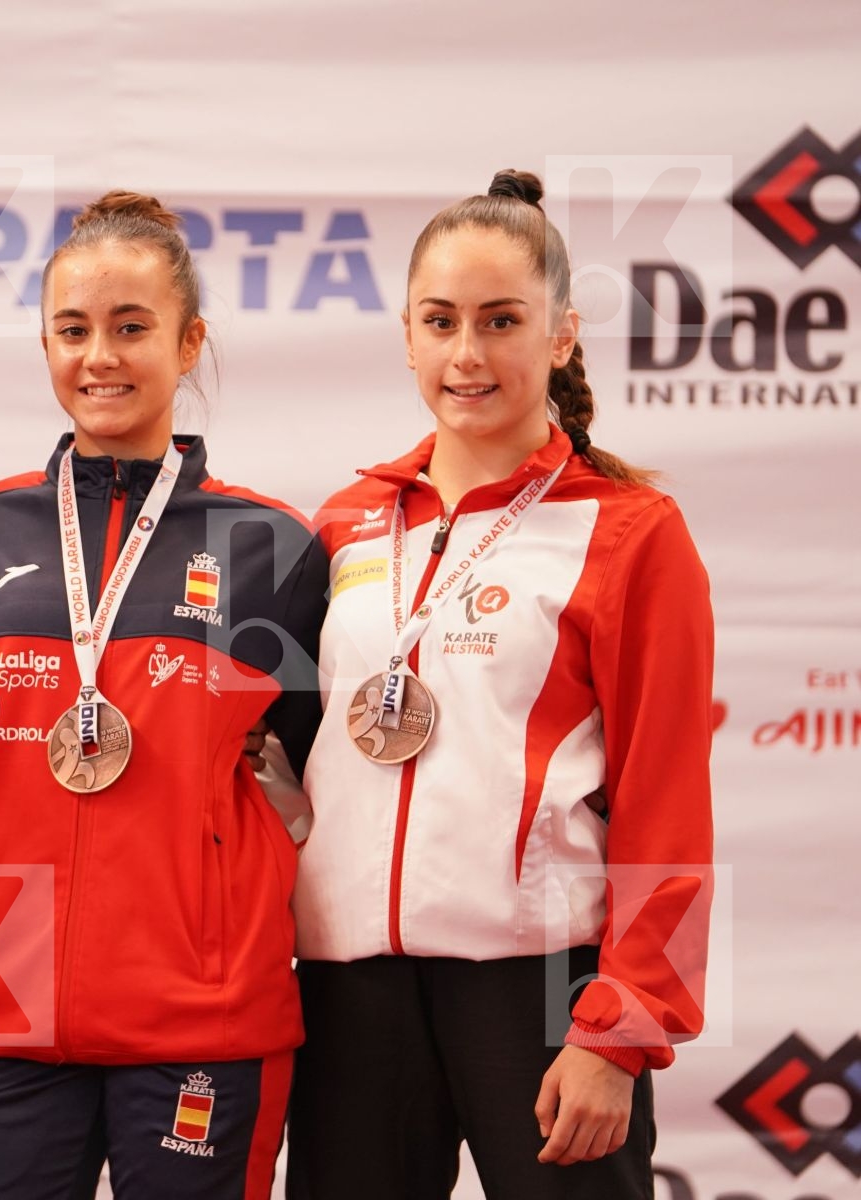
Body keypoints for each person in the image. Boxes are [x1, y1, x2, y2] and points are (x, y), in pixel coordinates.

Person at [287, 170, 716, 1199]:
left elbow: (666, 798)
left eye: (501, 321)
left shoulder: (628, 532)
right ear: (407, 335)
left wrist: (619, 1030)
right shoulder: (346, 523)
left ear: (561, 334)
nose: (467, 354)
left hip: (545, 988)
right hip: (351, 989)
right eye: (441, 321)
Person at [0, 192, 329, 1199]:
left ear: (189, 344)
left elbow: (311, 779)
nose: (99, 356)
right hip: (6, 1016)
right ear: (45, 345)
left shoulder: (271, 547)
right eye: (73, 330)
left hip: (203, 1022)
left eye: (132, 328)